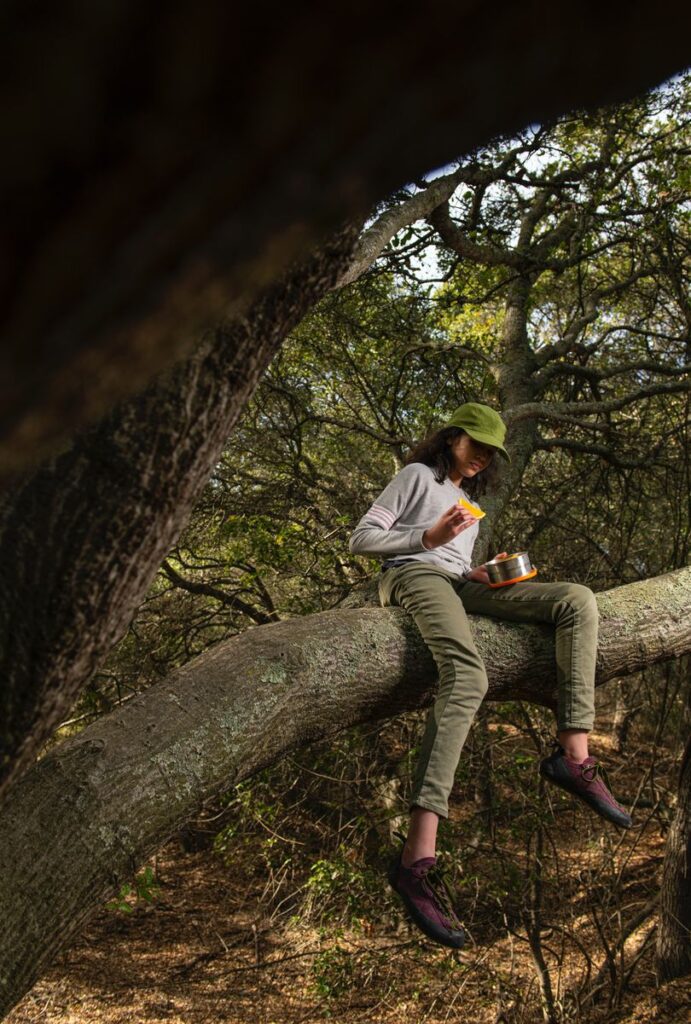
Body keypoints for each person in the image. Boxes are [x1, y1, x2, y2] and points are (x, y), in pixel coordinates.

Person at [348, 402, 632, 950]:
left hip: (454, 582)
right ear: (450, 436)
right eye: (473, 443)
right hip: (411, 576)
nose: (480, 456)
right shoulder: (415, 477)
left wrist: (482, 571)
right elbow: (363, 539)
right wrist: (426, 541)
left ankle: (575, 757)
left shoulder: (468, 502)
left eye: (489, 451)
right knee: (469, 674)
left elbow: (456, 571)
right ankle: (416, 859)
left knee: (577, 601)